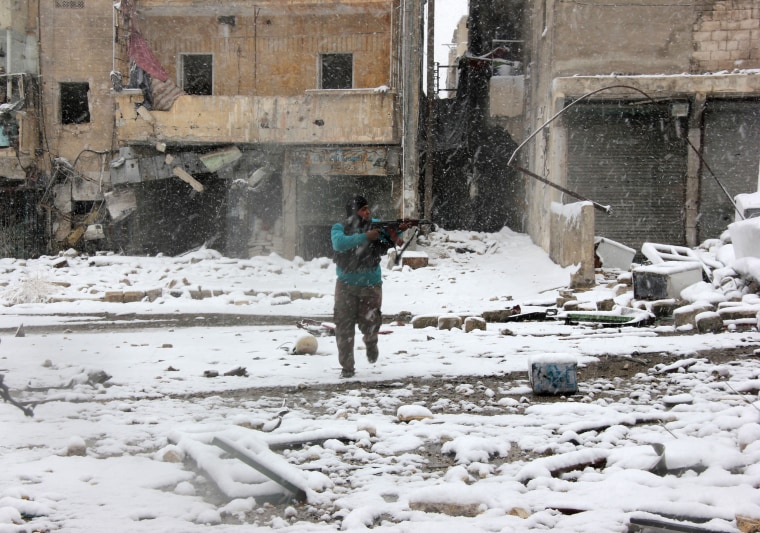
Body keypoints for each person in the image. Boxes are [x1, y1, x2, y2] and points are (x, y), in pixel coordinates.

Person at [331, 196, 407, 378]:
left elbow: (392, 239)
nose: (368, 212)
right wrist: (364, 236)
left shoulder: (376, 225)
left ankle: (371, 342)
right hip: (345, 286)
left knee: (371, 322)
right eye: (363, 209)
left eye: (368, 209)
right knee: (343, 327)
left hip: (370, 285)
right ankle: (347, 367)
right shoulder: (339, 228)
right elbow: (339, 243)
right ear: (354, 211)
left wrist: (400, 230)